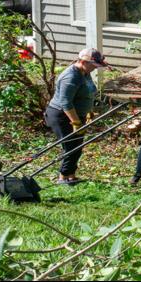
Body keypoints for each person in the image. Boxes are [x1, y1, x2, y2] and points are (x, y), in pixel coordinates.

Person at [45, 47, 111, 186]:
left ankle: (71, 175)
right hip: (62, 116)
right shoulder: (71, 77)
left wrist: (89, 111)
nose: (94, 68)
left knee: (78, 146)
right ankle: (62, 178)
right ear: (83, 61)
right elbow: (65, 102)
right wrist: (75, 122)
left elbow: (88, 93)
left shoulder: (84, 73)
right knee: (71, 146)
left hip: (76, 115)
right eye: (93, 65)